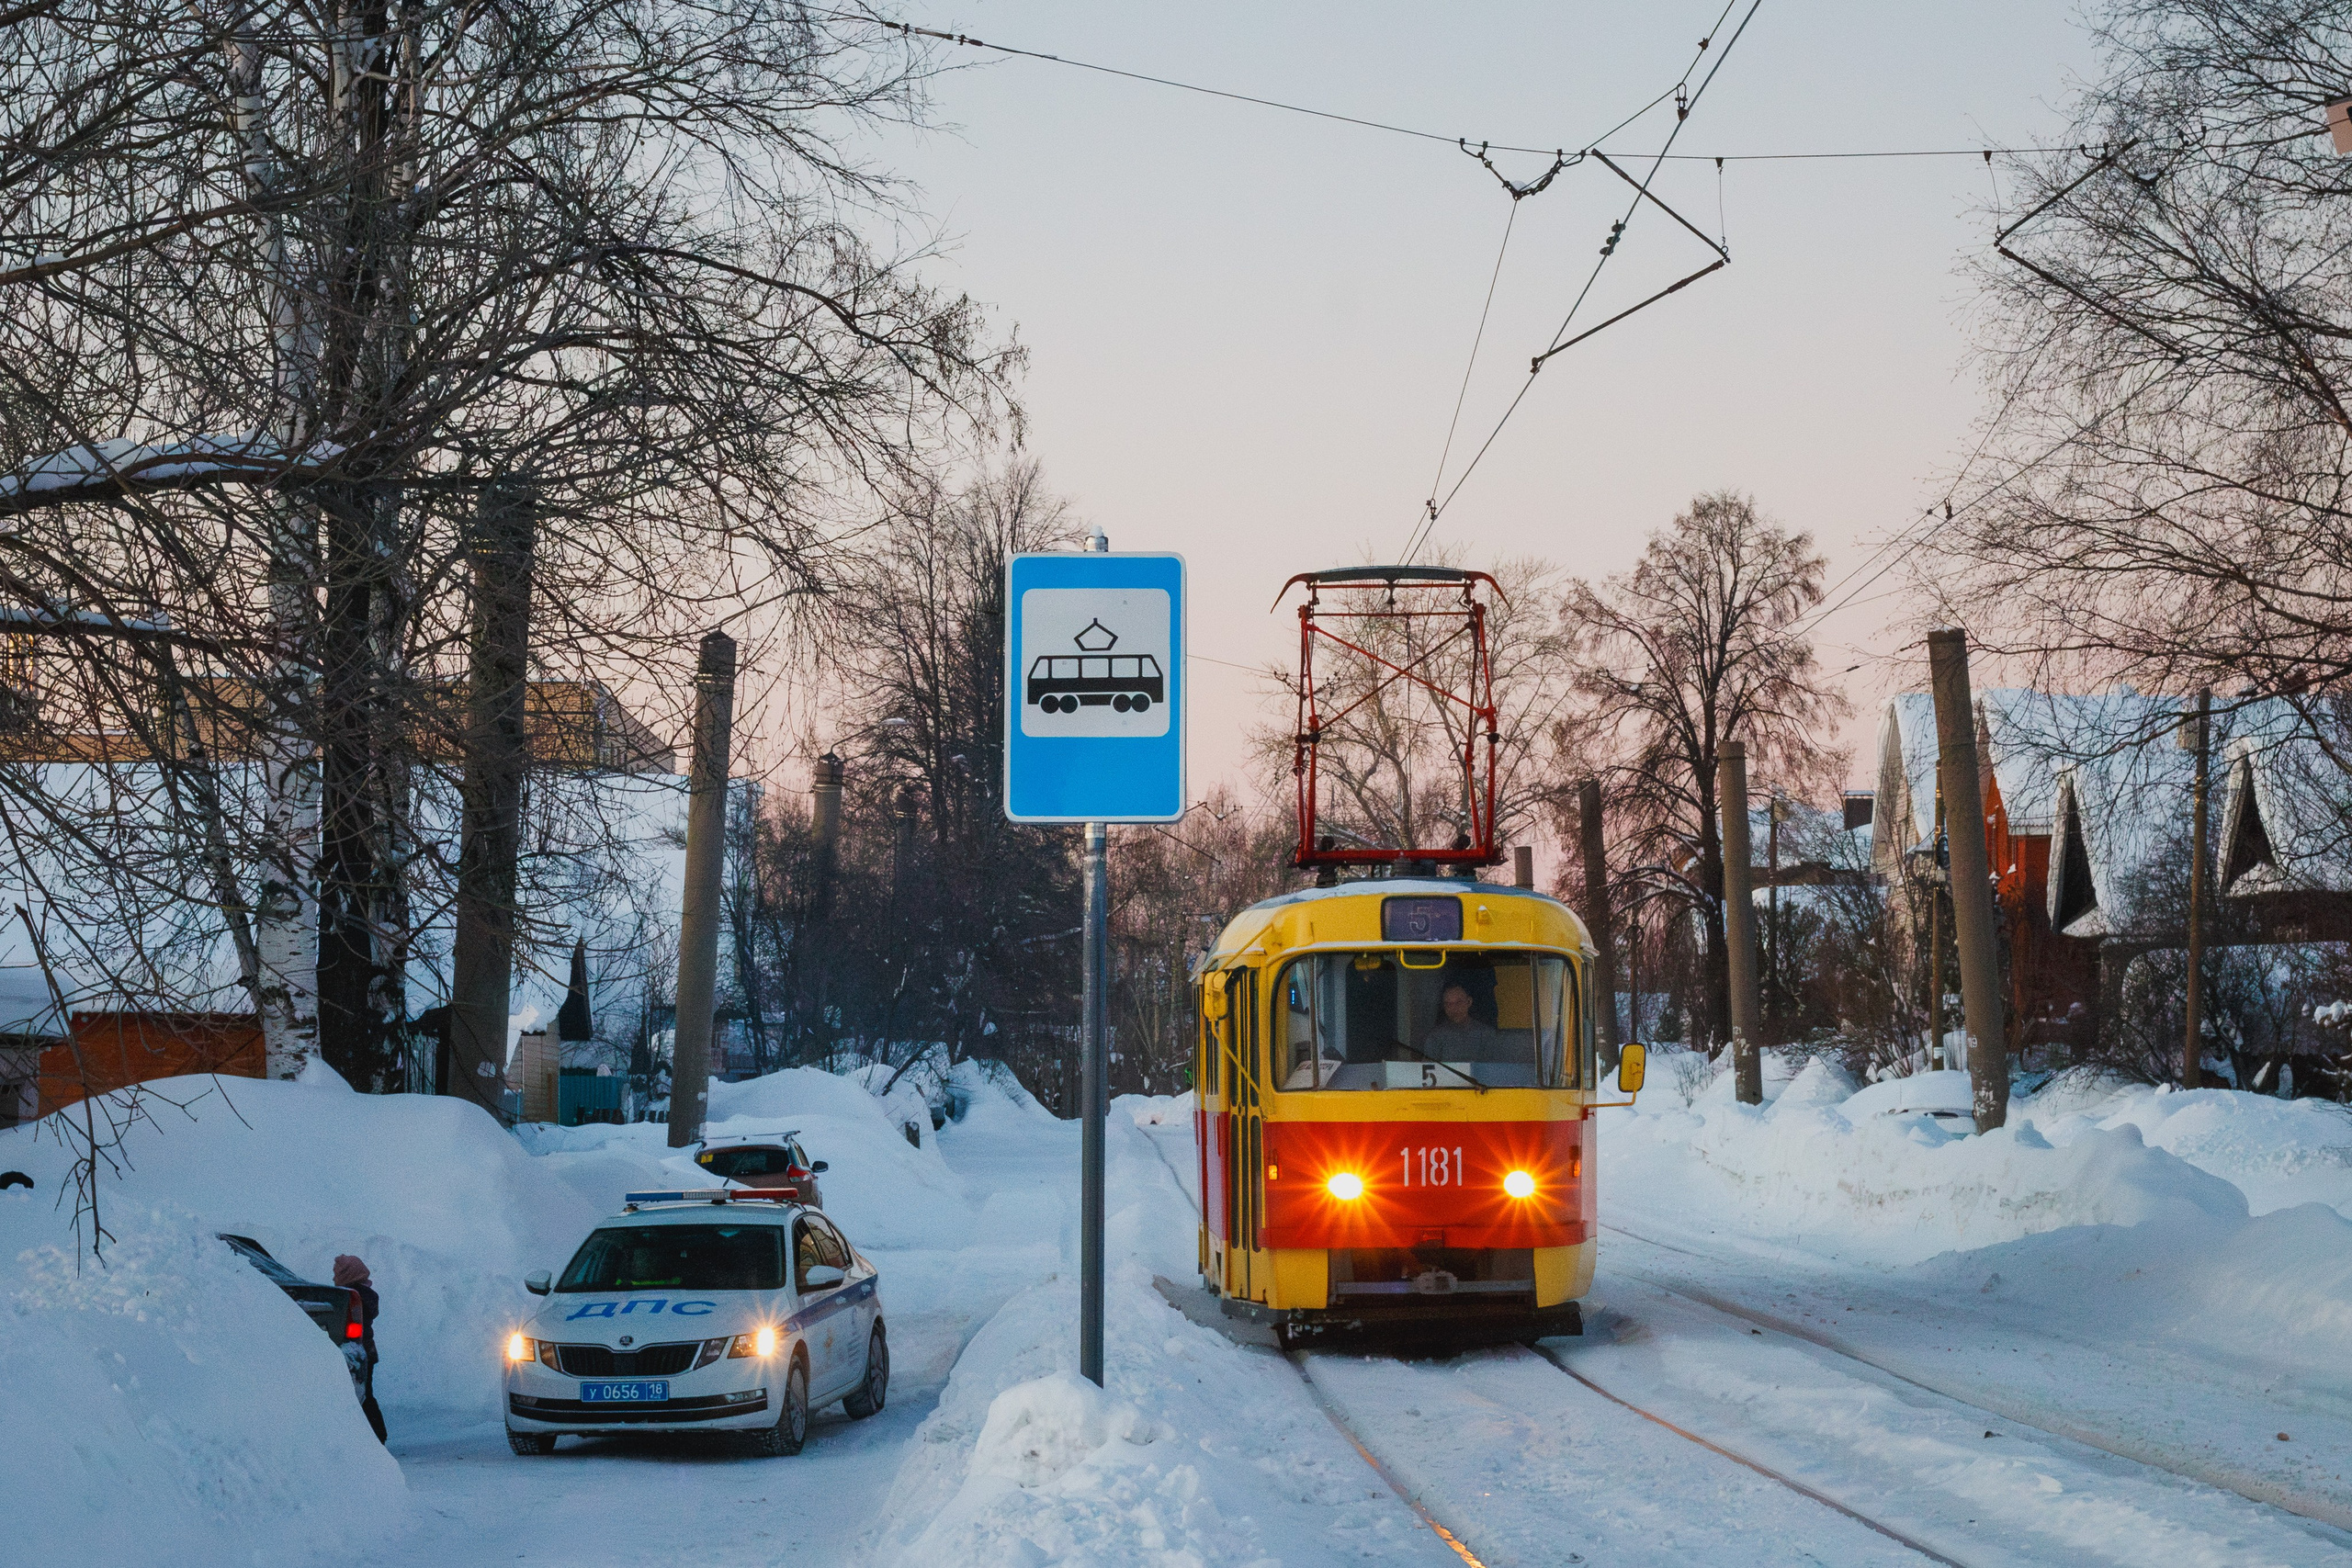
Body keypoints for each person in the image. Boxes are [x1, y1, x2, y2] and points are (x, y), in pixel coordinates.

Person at [335, 1254, 388, 1444]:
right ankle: (377, 1435)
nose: (334, 1279)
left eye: (337, 1274)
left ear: (348, 1275)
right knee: (366, 1395)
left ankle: (377, 1436)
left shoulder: (353, 1297)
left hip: (360, 1353)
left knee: (363, 1397)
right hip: (367, 1353)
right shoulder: (364, 1295)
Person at [1423, 981, 1501, 1058]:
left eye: (1458, 1003)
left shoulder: (1486, 1034)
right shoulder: (1436, 1036)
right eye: (1448, 1004)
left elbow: (1495, 1067)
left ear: (1469, 1002)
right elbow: (1428, 1068)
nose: (1454, 1009)